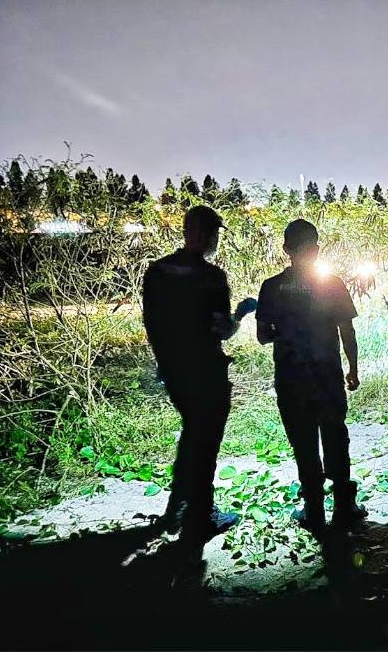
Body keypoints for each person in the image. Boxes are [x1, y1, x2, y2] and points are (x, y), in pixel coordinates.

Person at [142, 205, 257, 550]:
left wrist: (165, 362)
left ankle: (177, 507)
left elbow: (152, 324)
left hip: (175, 369)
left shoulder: (157, 272)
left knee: (193, 433)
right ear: (208, 235)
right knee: (205, 439)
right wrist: (243, 312)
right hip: (207, 368)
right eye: (216, 234)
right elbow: (222, 329)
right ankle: (201, 514)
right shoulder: (212, 277)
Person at [255, 219, 367, 533]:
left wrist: (287, 332)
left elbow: (263, 336)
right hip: (327, 375)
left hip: (291, 379)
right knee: (335, 436)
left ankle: (313, 508)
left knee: (303, 442)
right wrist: (353, 369)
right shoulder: (331, 284)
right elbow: (348, 330)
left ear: (286, 249)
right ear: (316, 250)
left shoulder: (271, 287)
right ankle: (345, 505)